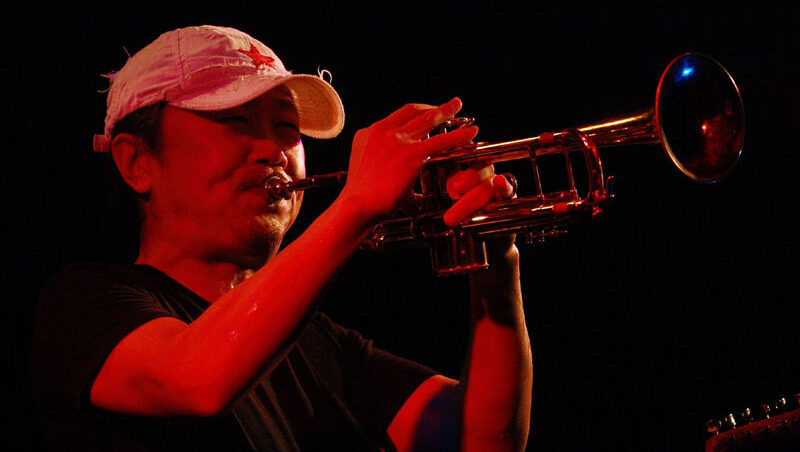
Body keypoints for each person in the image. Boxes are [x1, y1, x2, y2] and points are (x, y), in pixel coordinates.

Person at [31, 25, 531, 451]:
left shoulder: (321, 345)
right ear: (136, 162)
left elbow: (482, 440)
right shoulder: (82, 302)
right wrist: (355, 207)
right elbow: (198, 380)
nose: (273, 148)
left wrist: (494, 259)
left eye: (287, 128)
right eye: (234, 121)